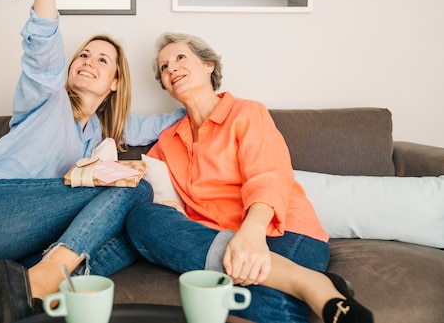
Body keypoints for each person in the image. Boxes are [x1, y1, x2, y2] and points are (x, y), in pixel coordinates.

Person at [0, 0, 184, 323]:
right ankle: (40, 284)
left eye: (102, 60)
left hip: (11, 252)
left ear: (115, 83)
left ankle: (23, 289)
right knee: (134, 187)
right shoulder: (47, 98)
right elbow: (41, 45)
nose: (88, 61)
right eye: (83, 54)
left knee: (134, 231)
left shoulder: (105, 130)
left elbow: (168, 122)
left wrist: (199, 87)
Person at [126, 32, 374, 323]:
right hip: (219, 241)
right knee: (141, 218)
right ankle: (309, 282)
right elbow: (148, 187)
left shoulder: (246, 112)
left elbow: (268, 174)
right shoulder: (167, 141)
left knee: (248, 308)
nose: (171, 69)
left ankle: (307, 284)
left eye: (180, 58)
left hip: (280, 231)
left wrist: (252, 234)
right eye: (164, 67)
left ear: (208, 65)